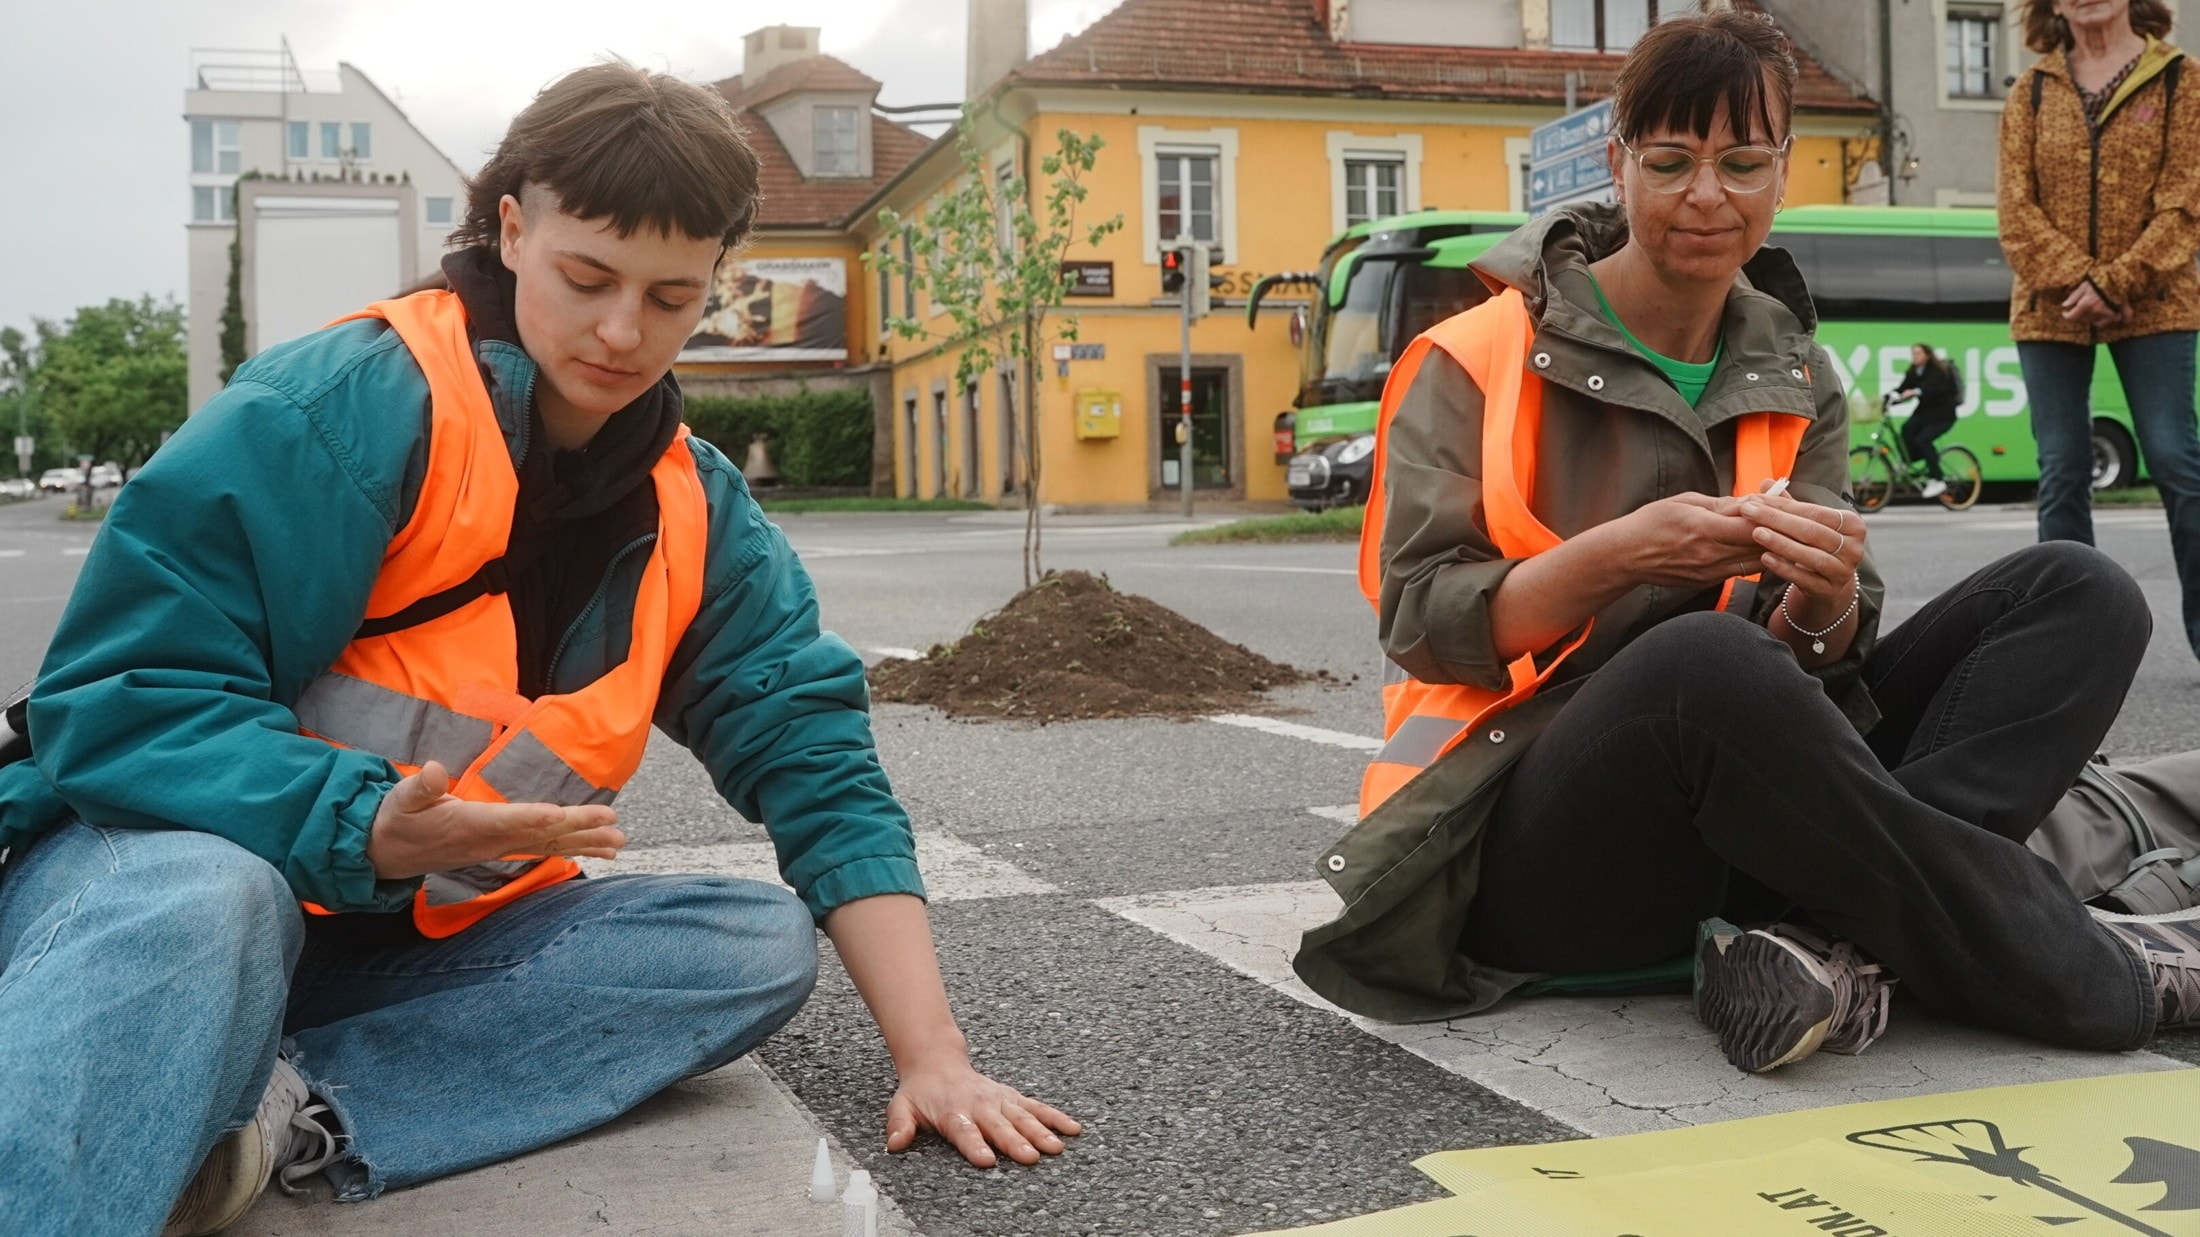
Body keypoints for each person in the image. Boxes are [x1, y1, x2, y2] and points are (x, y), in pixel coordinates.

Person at [0, 63, 1077, 1237]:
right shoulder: (339, 409)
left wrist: (936, 1058)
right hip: (166, 880)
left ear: (717, 285)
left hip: (392, 950)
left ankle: (262, 1110)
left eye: (671, 296)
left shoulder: (697, 515)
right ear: (513, 229)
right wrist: (355, 821)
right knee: (214, 897)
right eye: (587, 277)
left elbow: (816, 759)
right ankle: (144, 1080)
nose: (622, 331)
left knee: (744, 944)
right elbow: (119, 698)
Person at [1292, 9, 2200, 1078]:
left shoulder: (1800, 374)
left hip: (1755, 835)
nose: (1706, 196)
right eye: (1670, 162)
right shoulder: (1471, 357)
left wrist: (1819, 609)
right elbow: (1421, 627)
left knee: (2080, 588)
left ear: (1782, 175)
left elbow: (1828, 666)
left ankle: (1829, 947)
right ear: (1618, 165)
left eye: (1741, 162)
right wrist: (1621, 555)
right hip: (1525, 851)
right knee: (1700, 662)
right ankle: (2085, 974)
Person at [2000, 0, 2200, 659]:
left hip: (2158, 299)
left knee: (2176, 460)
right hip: (2050, 307)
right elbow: (2015, 211)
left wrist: (2117, 282)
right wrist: (2080, 280)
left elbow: (2185, 202)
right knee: (2062, 466)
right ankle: (2071, 649)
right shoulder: (2029, 91)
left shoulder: (2180, 79)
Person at [1891, 342, 1961, 499]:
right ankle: (1916, 460)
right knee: (1906, 429)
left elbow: (1933, 388)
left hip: (1943, 415)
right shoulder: (1914, 372)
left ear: (1927, 355)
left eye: (1918, 353)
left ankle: (1938, 479)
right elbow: (1902, 388)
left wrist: (1916, 391)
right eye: (1913, 354)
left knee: (1923, 440)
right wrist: (1888, 398)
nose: (1915, 357)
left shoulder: (1938, 371)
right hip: (1925, 413)